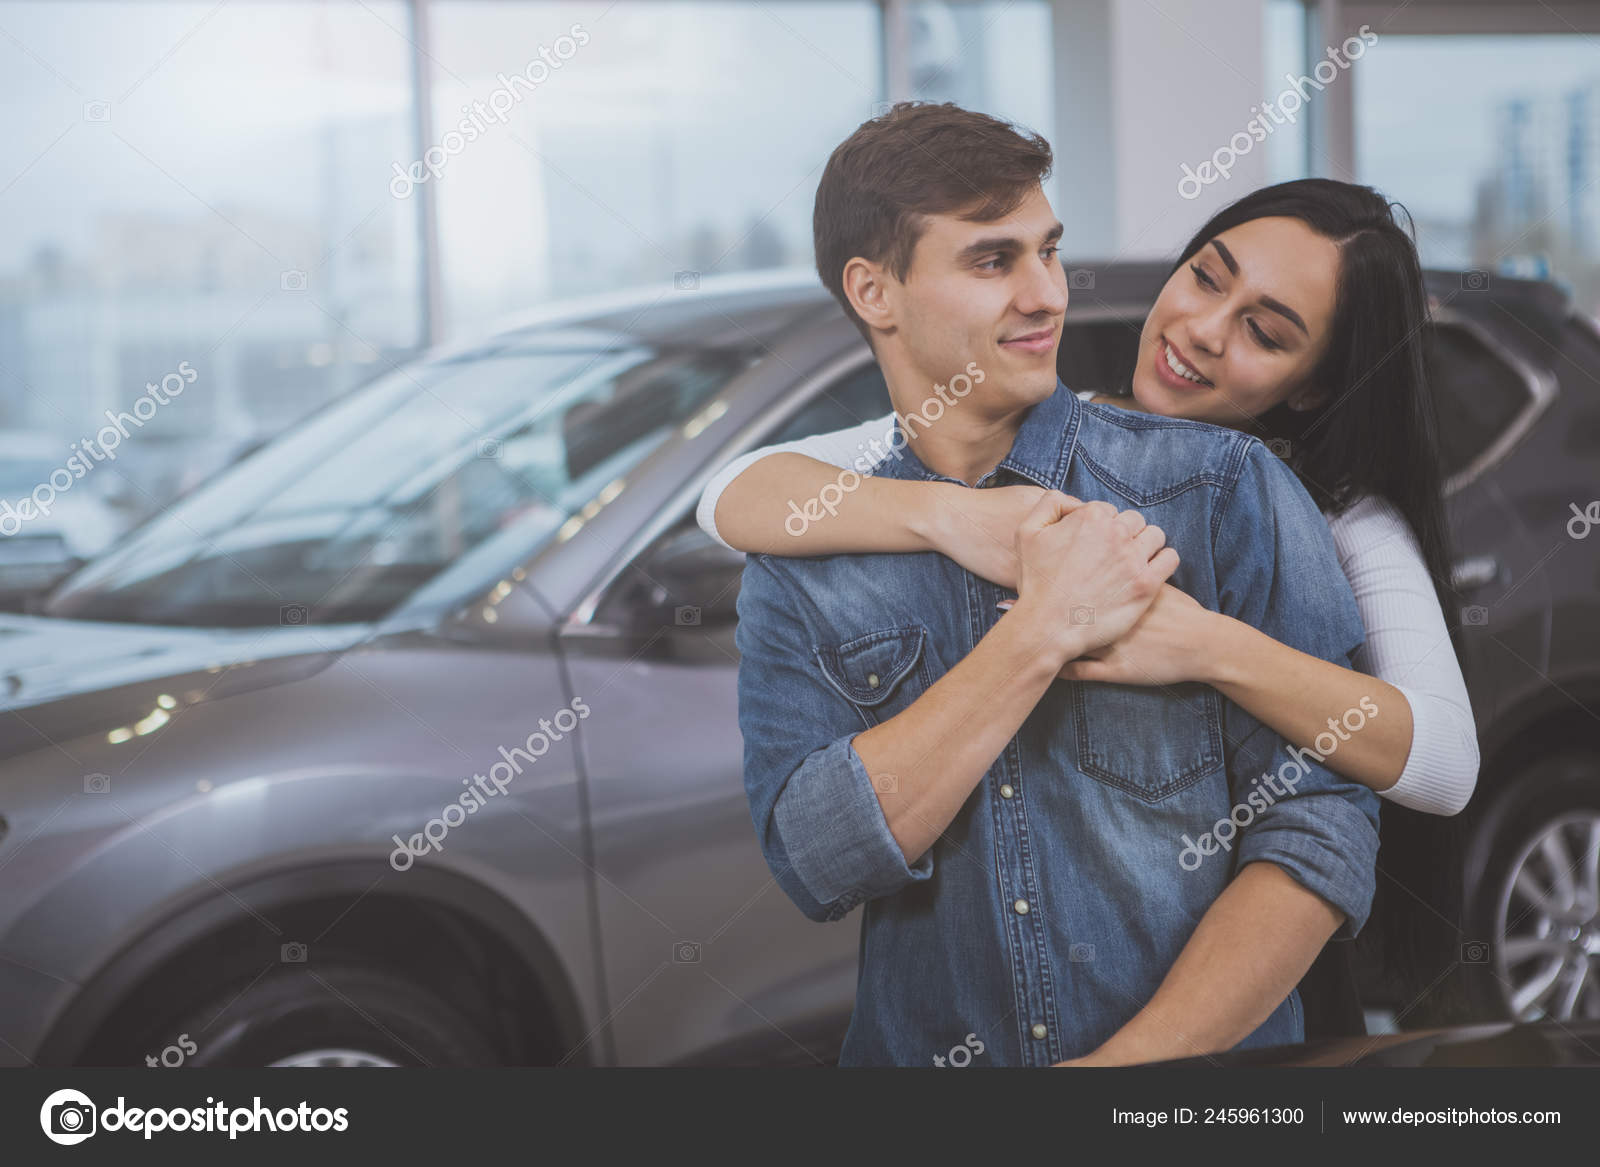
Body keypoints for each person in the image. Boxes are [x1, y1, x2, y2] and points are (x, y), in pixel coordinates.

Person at [699, 176, 1480, 1037]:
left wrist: (1203, 643)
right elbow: (738, 492)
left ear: (1311, 387)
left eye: (1263, 331)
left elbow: (1438, 764)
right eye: (1206, 277)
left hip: (1258, 997)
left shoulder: (1330, 513)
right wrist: (966, 517)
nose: (1202, 330)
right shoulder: (1021, 443)